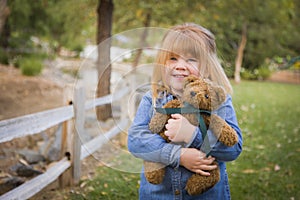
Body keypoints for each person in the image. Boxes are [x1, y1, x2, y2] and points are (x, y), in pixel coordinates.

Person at [127, 23, 243, 200]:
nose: (180, 66)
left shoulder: (218, 100)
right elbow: (136, 140)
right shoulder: (153, 99)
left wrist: (193, 136)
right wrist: (178, 155)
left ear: (207, 65)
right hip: (158, 195)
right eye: (173, 58)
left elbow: (233, 149)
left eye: (191, 59)